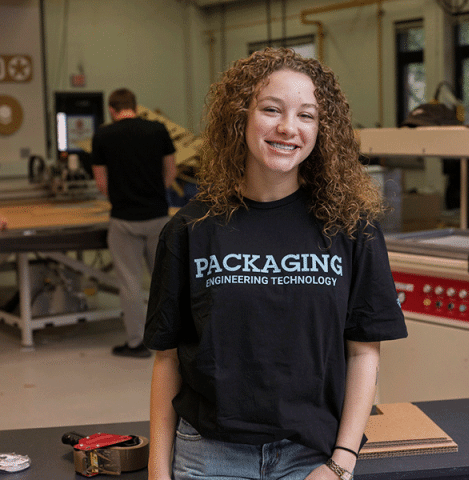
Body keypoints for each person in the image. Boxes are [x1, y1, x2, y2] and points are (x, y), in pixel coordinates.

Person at [144, 48, 407, 479]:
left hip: (312, 455)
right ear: (240, 117)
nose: (288, 128)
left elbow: (364, 354)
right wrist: (159, 472)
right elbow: (167, 360)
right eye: (271, 109)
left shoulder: (351, 229)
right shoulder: (192, 229)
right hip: (210, 457)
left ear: (322, 130)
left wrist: (341, 463)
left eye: (307, 115)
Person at [91, 88, 177, 358]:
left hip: (124, 220)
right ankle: (173, 340)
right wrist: (154, 194)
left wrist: (121, 195)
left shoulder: (103, 135)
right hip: (158, 218)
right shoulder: (158, 130)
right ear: (136, 107)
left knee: (129, 283)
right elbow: (171, 171)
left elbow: (101, 183)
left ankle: (136, 343)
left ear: (112, 110)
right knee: (165, 280)